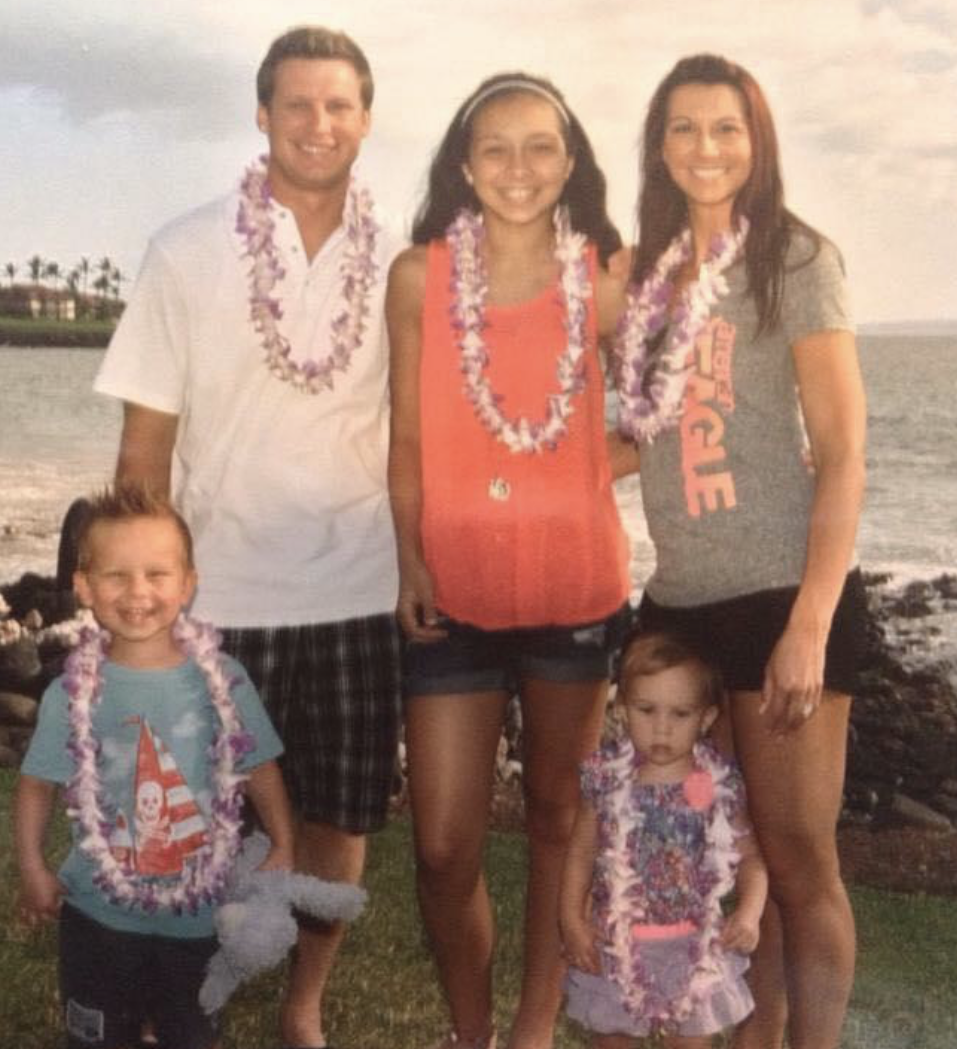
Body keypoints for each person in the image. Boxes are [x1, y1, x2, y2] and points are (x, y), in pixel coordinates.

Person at [92, 26, 402, 1049]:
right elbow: (146, 444)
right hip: (223, 591)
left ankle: (302, 1003)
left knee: (339, 818)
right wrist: (139, 603)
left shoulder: (400, 259)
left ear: (366, 117)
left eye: (340, 105)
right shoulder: (185, 249)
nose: (320, 124)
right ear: (263, 115)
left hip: (360, 582)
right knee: (195, 820)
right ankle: (179, 999)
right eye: (298, 104)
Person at [615, 55, 868, 1049]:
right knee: (714, 860)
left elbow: (844, 452)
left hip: (778, 596)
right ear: (659, 144)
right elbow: (647, 436)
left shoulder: (798, 260)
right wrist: (511, 486)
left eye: (726, 128)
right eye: (683, 128)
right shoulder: (650, 275)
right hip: (677, 602)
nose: (705, 147)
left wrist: (808, 625)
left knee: (799, 862)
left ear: (756, 142)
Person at [386, 72, 633, 1049]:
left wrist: (577, 477)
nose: (519, 167)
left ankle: (530, 1029)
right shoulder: (420, 276)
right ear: (463, 164)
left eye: (541, 146)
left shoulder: (610, 275)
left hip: (575, 589)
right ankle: (468, 1030)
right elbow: (406, 439)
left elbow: (662, 414)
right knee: (444, 842)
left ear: (570, 162)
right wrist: (409, 557)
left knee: (554, 819)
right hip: (452, 590)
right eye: (496, 147)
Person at [13, 484, 295, 1049]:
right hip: (97, 916)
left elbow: (259, 765)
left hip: (198, 916)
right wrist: (32, 865)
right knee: (98, 1035)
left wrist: (284, 843)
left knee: (190, 1033)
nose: (137, 592)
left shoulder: (224, 681)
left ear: (189, 583)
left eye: (157, 574)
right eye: (116, 576)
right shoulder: (72, 692)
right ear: (85, 587)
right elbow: (37, 785)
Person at [560, 631, 767, 1049]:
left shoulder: (717, 784)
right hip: (616, 944)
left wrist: (748, 912)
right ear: (621, 708)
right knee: (613, 1039)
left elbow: (751, 860)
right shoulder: (605, 777)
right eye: (646, 710)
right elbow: (580, 854)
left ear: (706, 719)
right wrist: (571, 920)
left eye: (680, 714)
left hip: (692, 946)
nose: (661, 728)